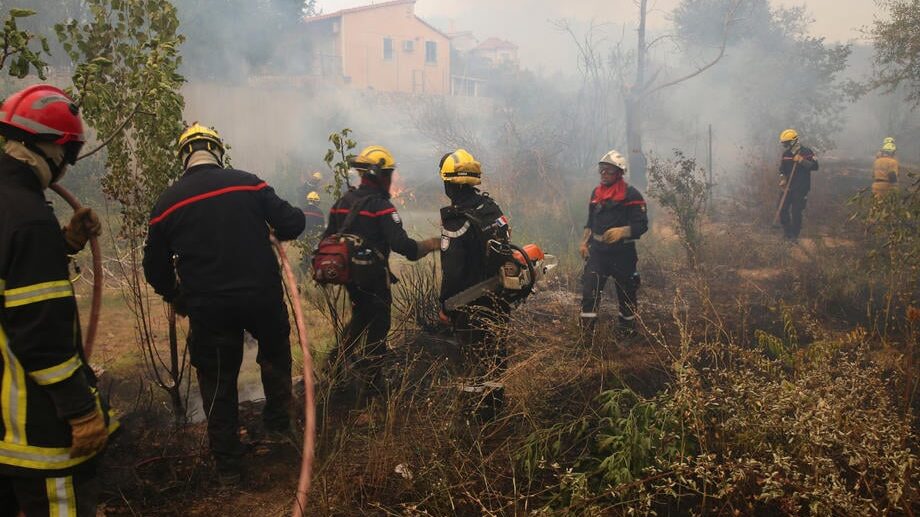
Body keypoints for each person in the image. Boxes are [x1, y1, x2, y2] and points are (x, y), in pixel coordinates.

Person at [142, 123, 305, 485]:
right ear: (217, 151)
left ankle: (229, 465)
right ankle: (280, 429)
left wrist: (176, 295)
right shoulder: (249, 183)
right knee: (275, 356)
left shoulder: (167, 203)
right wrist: (273, 228)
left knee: (217, 378)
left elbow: (153, 268)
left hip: (209, 306)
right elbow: (293, 222)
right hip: (261, 296)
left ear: (184, 157)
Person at [0, 84, 115, 516]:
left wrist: (63, 244)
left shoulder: (12, 207)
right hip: (35, 426)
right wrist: (81, 410)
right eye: (69, 152)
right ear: (51, 147)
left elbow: (10, 274)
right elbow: (41, 332)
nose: (67, 164)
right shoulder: (29, 218)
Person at [321, 145, 439, 396]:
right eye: (389, 173)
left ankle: (334, 364)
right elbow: (404, 246)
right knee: (378, 325)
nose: (390, 179)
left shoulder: (342, 202)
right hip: (374, 279)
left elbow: (327, 238)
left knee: (361, 316)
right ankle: (372, 384)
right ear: (379, 174)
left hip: (350, 279)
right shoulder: (381, 206)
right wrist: (431, 244)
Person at [437, 149, 511, 374]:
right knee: (495, 357)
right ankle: (495, 396)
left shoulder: (456, 220)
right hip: (499, 299)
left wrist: (445, 305)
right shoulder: (491, 208)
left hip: (470, 305)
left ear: (450, 184)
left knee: (473, 365)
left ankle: (475, 396)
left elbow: (453, 271)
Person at [579, 149, 649, 340]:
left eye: (608, 170)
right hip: (598, 253)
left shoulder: (631, 195)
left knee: (626, 293)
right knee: (589, 291)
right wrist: (584, 243)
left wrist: (622, 231)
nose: (603, 174)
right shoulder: (596, 194)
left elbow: (642, 225)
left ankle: (627, 333)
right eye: (601, 169)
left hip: (623, 254)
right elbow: (590, 222)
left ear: (619, 173)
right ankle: (587, 336)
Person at [777, 129, 819, 241]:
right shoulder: (786, 154)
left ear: (793, 141)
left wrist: (801, 160)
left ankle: (794, 236)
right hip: (787, 188)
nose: (784, 145)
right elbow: (782, 169)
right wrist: (783, 179)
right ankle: (788, 233)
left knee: (796, 212)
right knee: (782, 209)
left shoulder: (806, 152)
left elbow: (815, 166)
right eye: (783, 143)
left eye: (786, 143)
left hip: (801, 188)